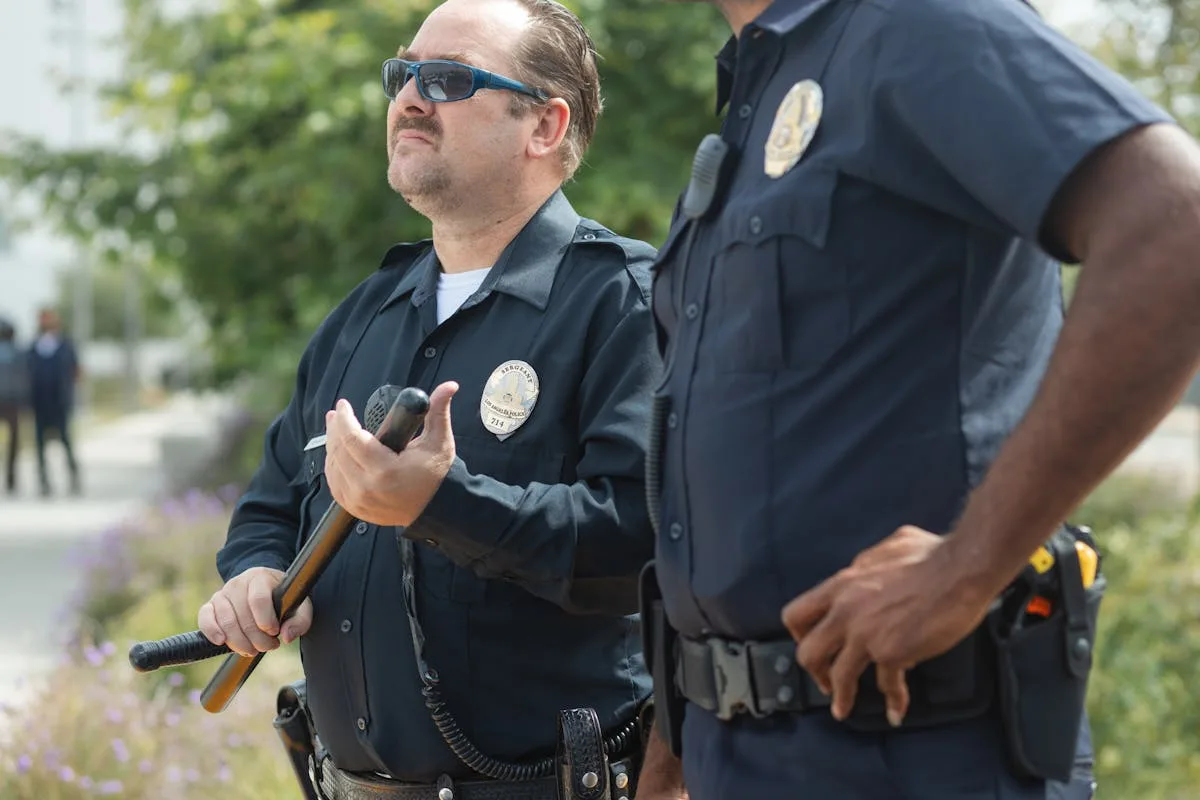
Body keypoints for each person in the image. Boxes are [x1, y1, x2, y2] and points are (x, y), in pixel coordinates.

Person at [641, 0, 1200, 797]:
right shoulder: (759, 86)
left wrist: (966, 566)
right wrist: (680, 728)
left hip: (915, 748)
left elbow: (1176, 225)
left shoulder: (913, 21)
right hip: (737, 751)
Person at [196, 1, 677, 798]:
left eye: (449, 79)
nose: (411, 97)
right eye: (404, 73)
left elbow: (642, 550)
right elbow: (273, 502)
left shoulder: (625, 304)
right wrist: (255, 573)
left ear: (545, 127)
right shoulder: (362, 314)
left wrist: (438, 504)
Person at [28, 307, 81, 497]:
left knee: (66, 441)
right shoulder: (35, 346)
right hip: (40, 402)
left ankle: (74, 477)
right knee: (40, 445)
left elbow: (76, 370)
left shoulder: (66, 344)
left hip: (60, 401)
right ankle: (44, 482)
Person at [0, 319, 28, 495]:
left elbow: (24, 379)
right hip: (11, 402)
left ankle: (11, 476)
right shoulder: (19, 353)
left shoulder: (19, 353)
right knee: (14, 441)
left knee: (14, 441)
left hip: (12, 402)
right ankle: (11, 477)